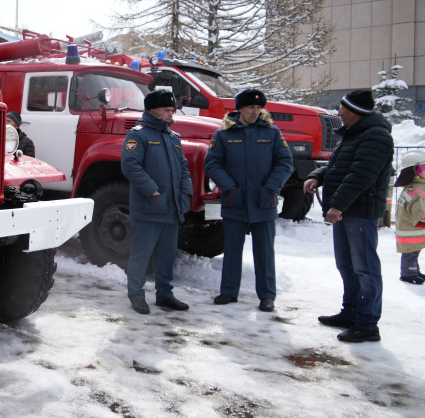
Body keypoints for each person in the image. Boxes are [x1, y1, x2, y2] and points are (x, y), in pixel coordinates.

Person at [303, 89, 394, 343]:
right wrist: (316, 176)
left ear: (354, 111)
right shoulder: (355, 134)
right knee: (347, 265)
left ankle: (367, 324)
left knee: (365, 268)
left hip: (359, 212)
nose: (338, 112)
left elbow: (361, 175)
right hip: (346, 210)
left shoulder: (376, 136)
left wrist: (337, 205)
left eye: (342, 108)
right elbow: (337, 166)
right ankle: (351, 312)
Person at [204, 89, 293, 312]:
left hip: (264, 201)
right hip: (236, 200)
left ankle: (267, 295)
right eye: (250, 108)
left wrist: (271, 187)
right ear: (240, 109)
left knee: (264, 251)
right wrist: (229, 187)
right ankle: (229, 291)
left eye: (258, 108)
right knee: (232, 249)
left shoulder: (272, 133)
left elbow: (285, 163)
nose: (255, 112)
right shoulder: (223, 134)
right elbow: (212, 163)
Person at [120, 89, 193, 314]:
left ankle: (165, 294)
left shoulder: (174, 138)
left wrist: (185, 194)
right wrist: (153, 192)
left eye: (173, 110)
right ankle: (136, 295)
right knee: (142, 254)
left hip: (171, 208)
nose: (172, 114)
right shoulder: (138, 135)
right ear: (153, 110)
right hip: (150, 207)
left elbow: (183, 168)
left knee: (167, 255)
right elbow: (130, 166)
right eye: (167, 110)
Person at [394, 150, 425, 284]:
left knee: (413, 252)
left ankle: (414, 271)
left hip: (409, 229)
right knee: (410, 253)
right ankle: (408, 273)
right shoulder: (417, 190)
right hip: (412, 230)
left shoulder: (411, 187)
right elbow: (419, 211)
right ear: (415, 171)